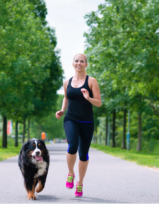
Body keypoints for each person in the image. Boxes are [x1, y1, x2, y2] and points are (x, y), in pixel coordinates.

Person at [55, 53, 102, 197]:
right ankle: (70, 173)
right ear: (73, 63)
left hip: (87, 122)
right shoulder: (67, 82)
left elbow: (99, 103)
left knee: (83, 154)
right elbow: (66, 97)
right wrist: (62, 110)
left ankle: (80, 182)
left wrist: (89, 98)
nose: (79, 63)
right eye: (76, 61)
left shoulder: (92, 81)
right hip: (71, 119)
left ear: (86, 64)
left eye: (82, 61)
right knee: (72, 145)